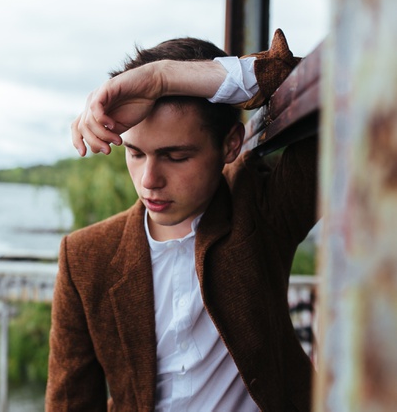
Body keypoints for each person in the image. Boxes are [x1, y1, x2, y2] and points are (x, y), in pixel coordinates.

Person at [46, 29, 317, 412]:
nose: (149, 180)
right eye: (136, 153)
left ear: (231, 145)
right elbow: (70, 403)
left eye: (176, 156)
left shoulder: (260, 208)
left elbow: (355, 91)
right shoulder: (85, 256)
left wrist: (163, 77)